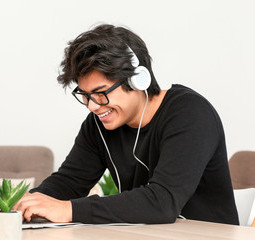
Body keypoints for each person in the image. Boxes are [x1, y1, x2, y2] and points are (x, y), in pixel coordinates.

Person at [14, 24, 239, 225]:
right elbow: (69, 181)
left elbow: (163, 202)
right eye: (85, 95)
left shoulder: (190, 114)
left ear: (137, 79)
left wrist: (68, 210)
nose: (92, 106)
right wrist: (29, 204)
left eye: (100, 93)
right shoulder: (99, 124)